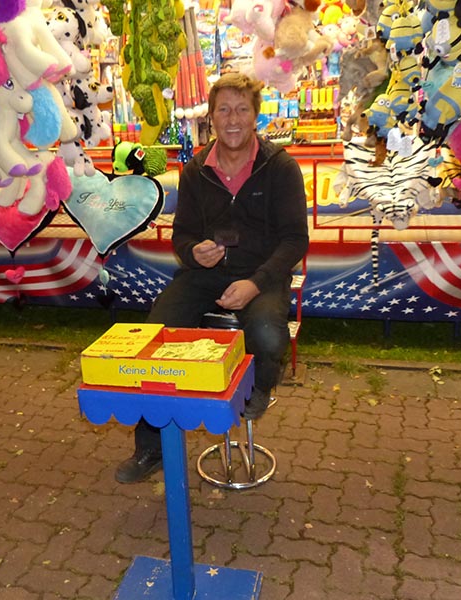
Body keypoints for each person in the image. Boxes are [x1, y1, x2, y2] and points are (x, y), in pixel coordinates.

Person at [115, 73, 310, 484]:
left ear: (255, 116)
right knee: (155, 336)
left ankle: (259, 387)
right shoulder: (195, 170)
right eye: (224, 110)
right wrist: (193, 252)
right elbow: (182, 236)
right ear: (211, 116)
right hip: (205, 276)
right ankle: (151, 448)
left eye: (241, 109)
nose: (232, 119)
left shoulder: (280, 167)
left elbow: (295, 239)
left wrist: (256, 283)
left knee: (268, 335)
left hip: (261, 275)